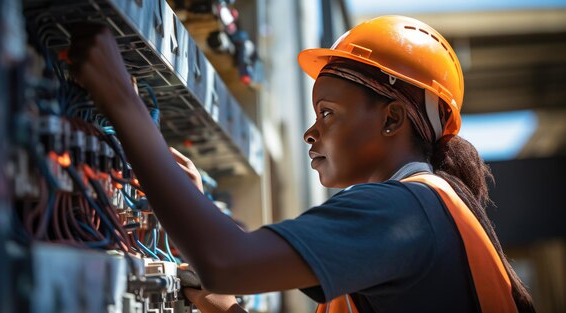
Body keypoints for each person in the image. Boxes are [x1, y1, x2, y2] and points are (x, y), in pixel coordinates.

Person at [69, 16, 535, 312]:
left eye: (327, 113)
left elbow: (226, 262)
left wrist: (122, 103)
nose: (311, 132)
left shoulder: (402, 212)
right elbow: (226, 267)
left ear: (392, 118)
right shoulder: (428, 209)